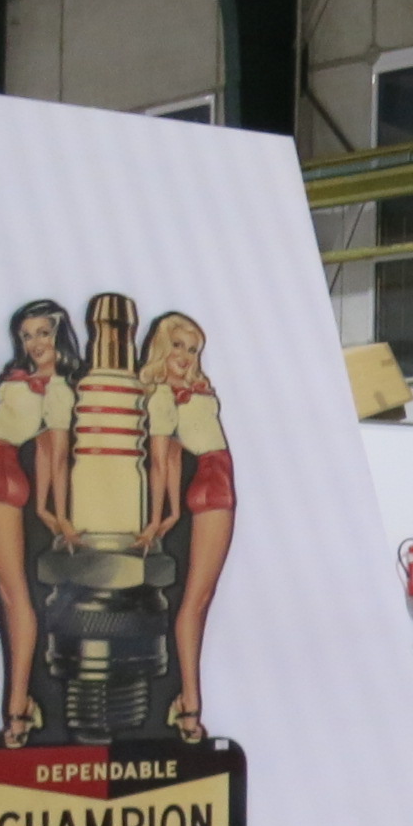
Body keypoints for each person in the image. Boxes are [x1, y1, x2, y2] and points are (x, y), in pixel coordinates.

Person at [0, 300, 80, 746]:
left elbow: (55, 454)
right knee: (9, 596)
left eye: (43, 333)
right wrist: (43, 510)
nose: (35, 343)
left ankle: (18, 708)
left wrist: (56, 512)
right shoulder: (28, 379)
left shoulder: (59, 390)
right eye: (27, 335)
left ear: (60, 337)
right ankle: (20, 704)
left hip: (0, 478)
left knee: (14, 596)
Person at [142, 311, 235, 744]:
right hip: (214, 486)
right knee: (196, 600)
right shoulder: (162, 396)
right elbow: (161, 461)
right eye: (177, 346)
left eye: (192, 350)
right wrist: (159, 515)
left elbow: (175, 457)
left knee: (200, 599)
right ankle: (190, 702)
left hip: (212, 485)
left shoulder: (188, 391)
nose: (184, 357)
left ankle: (190, 699)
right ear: (162, 348)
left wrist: (172, 512)